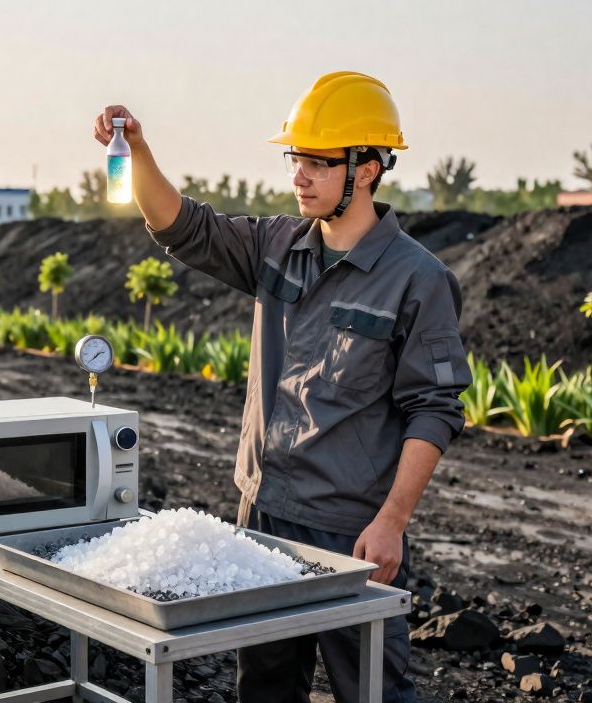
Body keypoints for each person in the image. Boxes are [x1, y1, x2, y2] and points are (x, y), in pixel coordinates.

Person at [93, 71, 471, 703]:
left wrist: (391, 522)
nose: (299, 175)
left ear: (369, 168)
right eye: (296, 159)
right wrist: (139, 152)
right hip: (263, 514)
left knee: (372, 688)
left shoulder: (418, 279)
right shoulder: (276, 245)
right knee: (265, 687)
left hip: (349, 531)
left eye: (318, 164)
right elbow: (184, 228)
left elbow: (433, 409)